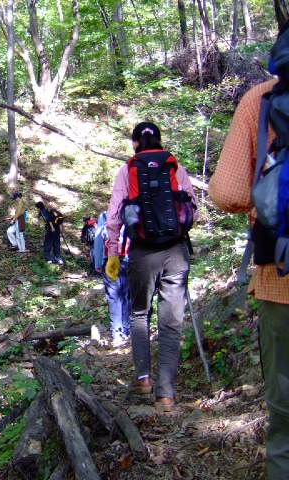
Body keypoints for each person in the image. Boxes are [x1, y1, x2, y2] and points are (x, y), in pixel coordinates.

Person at [209, 27, 289, 479]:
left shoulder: (259, 100)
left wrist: (264, 203)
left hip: (281, 279)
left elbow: (227, 192)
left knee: (285, 417)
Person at [105, 122, 197, 412]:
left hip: (142, 253)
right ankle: (166, 395)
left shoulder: (127, 170)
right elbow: (192, 206)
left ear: (135, 143)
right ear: (159, 140)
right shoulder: (174, 167)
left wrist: (112, 253)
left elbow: (114, 216)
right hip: (176, 251)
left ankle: (143, 379)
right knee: (171, 322)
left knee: (139, 313)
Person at [93, 211, 130, 346]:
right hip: (127, 260)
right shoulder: (130, 212)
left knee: (114, 298)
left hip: (109, 260)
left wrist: (97, 263)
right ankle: (127, 330)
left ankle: (117, 334)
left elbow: (98, 240)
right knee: (126, 295)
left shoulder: (105, 216)